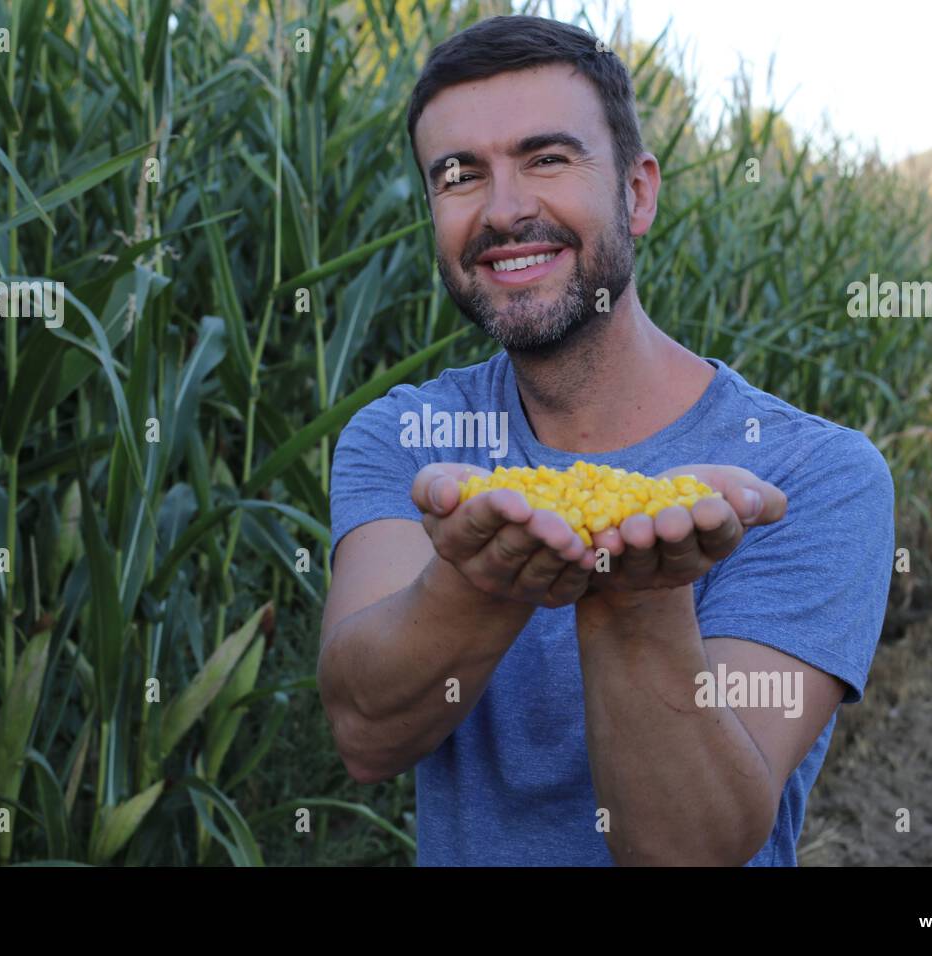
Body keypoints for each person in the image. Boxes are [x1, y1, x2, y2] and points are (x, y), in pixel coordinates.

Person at [317, 15, 895, 866]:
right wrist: (482, 579)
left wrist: (637, 596)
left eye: (548, 158)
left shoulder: (813, 476)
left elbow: (691, 849)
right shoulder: (410, 439)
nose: (505, 210)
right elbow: (366, 735)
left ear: (637, 193)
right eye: (459, 174)